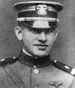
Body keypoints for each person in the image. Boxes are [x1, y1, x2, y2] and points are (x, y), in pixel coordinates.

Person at [0, 0, 75, 88]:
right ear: (19, 33)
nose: (43, 38)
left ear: (55, 35)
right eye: (35, 30)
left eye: (49, 31)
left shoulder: (69, 79)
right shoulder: (2, 72)